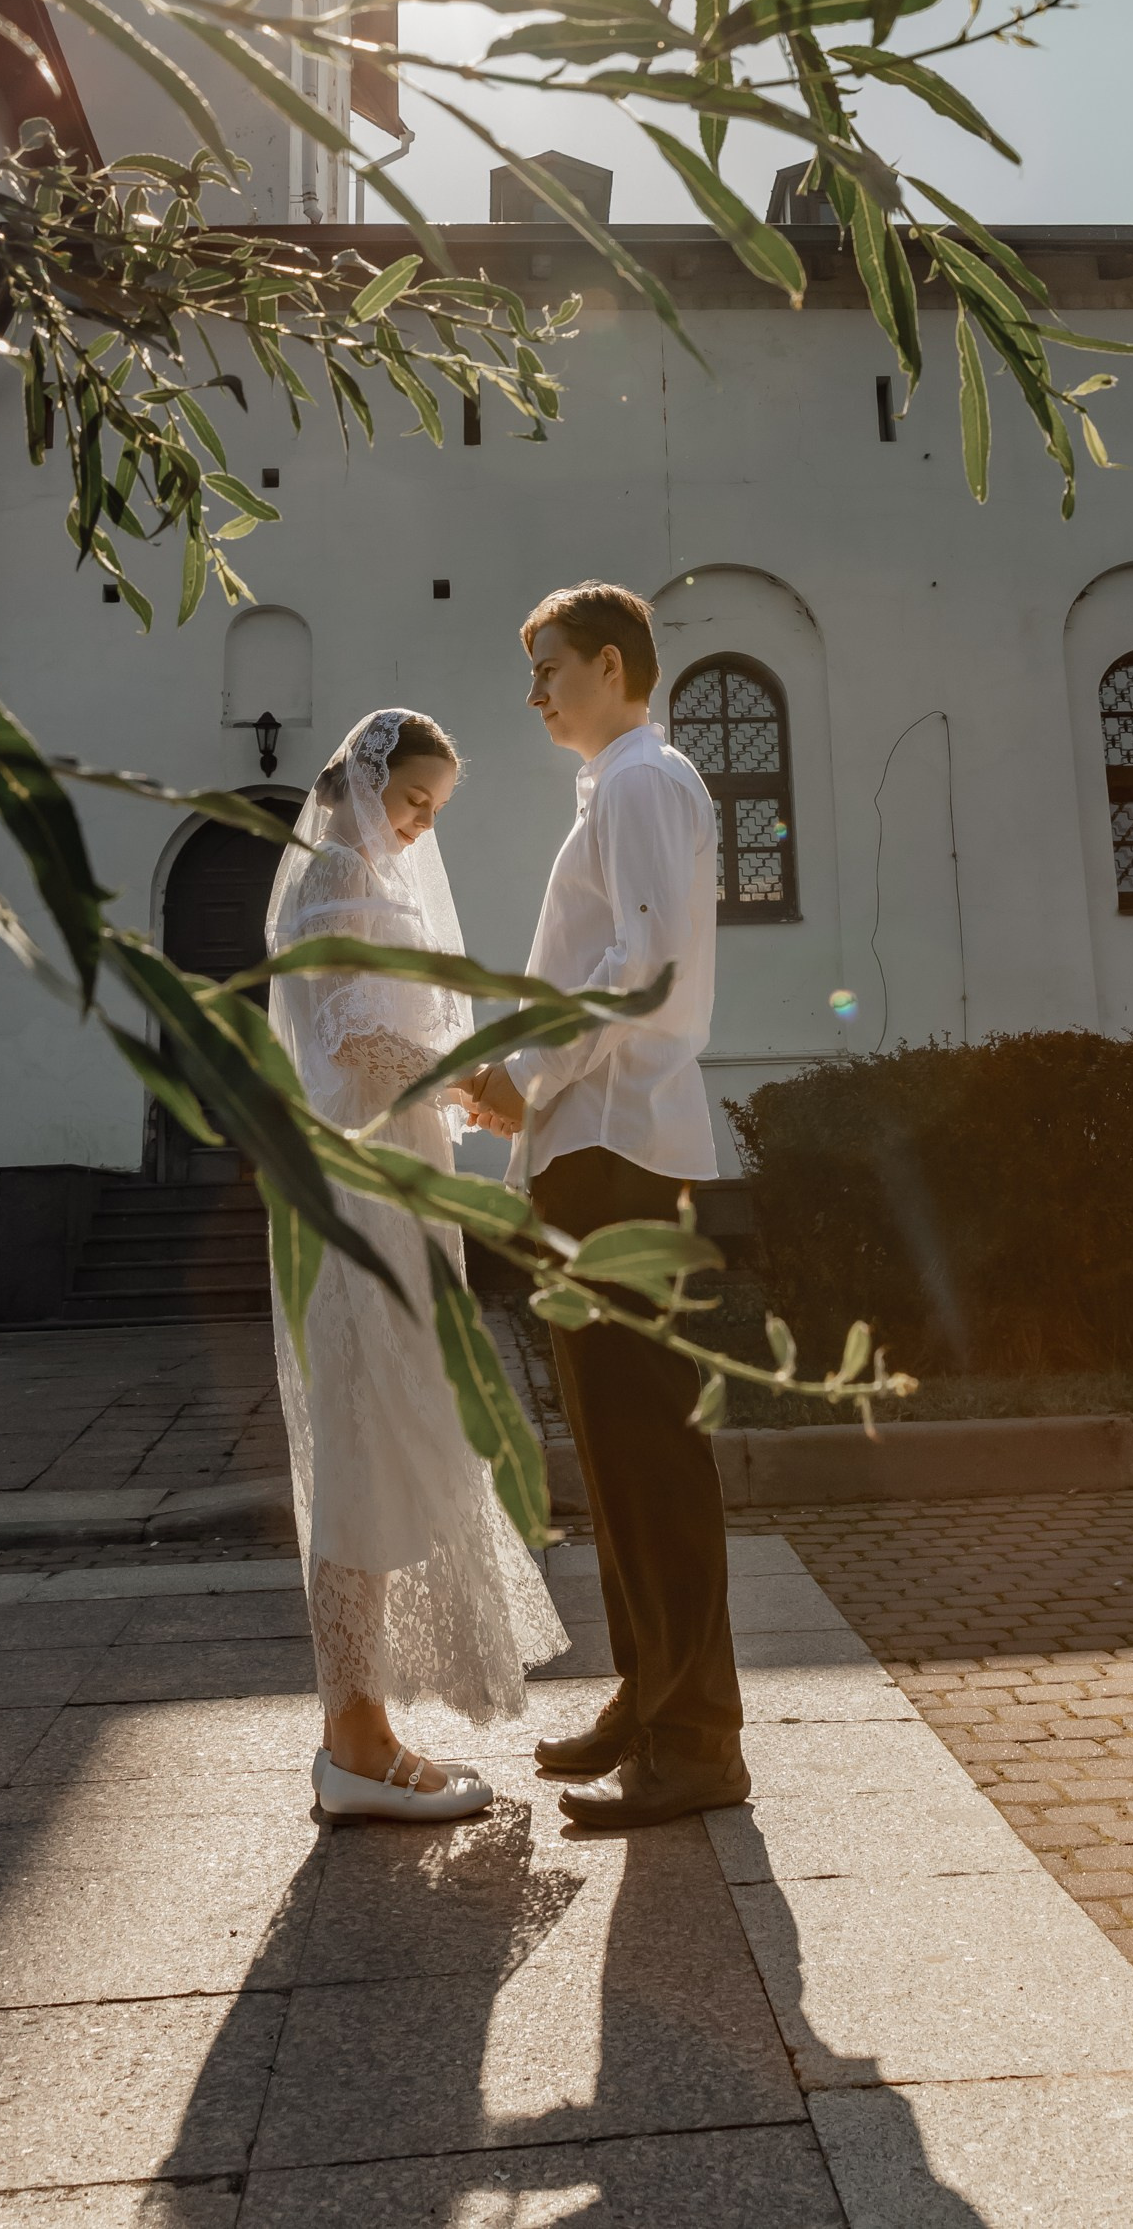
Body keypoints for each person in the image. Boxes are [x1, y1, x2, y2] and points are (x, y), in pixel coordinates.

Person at [457, 583, 747, 1830]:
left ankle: (695, 1738)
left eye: (549, 667)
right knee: (621, 1450)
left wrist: (525, 1075)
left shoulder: (641, 780)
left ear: (613, 665)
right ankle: (652, 1699)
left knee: (647, 1449)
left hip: (617, 1148)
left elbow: (638, 973)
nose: (533, 693)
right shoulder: (622, 786)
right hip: (597, 1145)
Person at [266, 706, 566, 1824]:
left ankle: (364, 1725)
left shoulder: (361, 881)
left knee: (386, 1433)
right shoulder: (338, 880)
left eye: (430, 811)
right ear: (360, 780)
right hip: (364, 1187)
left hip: (391, 1176)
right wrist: (476, 1087)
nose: (417, 826)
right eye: (411, 801)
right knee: (360, 1438)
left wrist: (455, 1090)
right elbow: (360, 1039)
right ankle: (353, 1737)